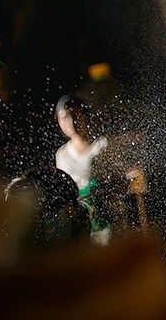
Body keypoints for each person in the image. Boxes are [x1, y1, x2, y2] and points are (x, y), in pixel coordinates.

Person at [54, 95, 124, 243]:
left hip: (109, 217)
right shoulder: (62, 155)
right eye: (64, 117)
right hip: (82, 222)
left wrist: (100, 191)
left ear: (84, 115)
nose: (70, 121)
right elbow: (64, 192)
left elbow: (120, 180)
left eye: (75, 114)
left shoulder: (102, 146)